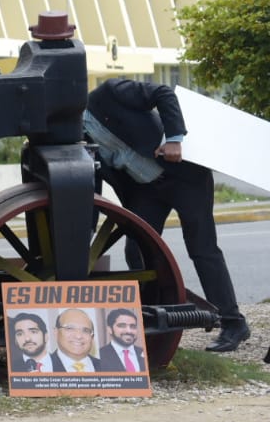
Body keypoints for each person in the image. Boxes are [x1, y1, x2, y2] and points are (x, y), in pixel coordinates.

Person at [84, 78, 249, 353]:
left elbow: (162, 93)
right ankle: (154, 317)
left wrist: (174, 138)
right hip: (146, 190)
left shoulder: (107, 94)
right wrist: (86, 232)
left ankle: (234, 324)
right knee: (137, 249)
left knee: (202, 249)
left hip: (184, 177)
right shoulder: (79, 137)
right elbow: (90, 181)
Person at [50, 308, 100, 372]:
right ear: (56, 332)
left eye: (85, 330)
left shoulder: (108, 367)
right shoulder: (42, 368)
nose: (78, 336)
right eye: (70, 328)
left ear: (92, 337)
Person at [98, 308, 146, 372]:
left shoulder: (144, 353)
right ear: (109, 329)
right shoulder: (99, 356)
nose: (129, 331)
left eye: (133, 326)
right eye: (122, 326)